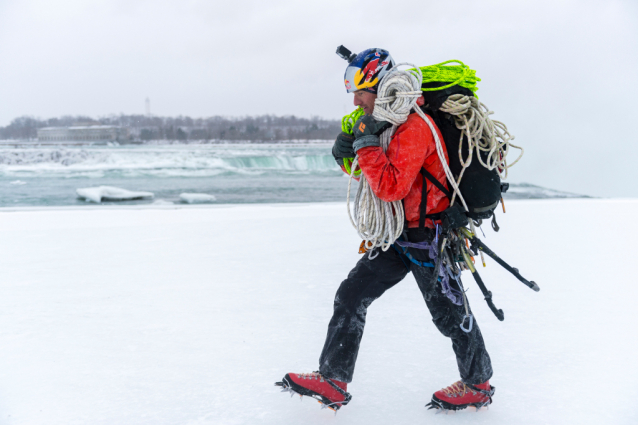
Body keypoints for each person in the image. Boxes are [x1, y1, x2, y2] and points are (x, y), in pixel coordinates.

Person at [277, 48, 495, 412]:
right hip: (398, 235)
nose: (355, 98)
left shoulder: (414, 127)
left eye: (360, 89)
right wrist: (348, 151)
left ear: (380, 86)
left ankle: (478, 383)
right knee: (351, 294)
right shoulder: (386, 123)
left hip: (428, 238)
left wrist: (364, 145)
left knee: (449, 313)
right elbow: (369, 173)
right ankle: (332, 379)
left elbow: (391, 186)